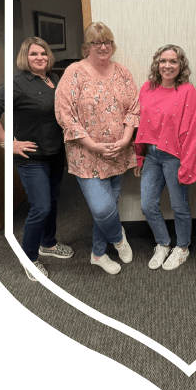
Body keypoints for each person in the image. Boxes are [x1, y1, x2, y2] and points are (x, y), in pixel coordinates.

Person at [0, 37, 74, 281]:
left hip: (55, 153)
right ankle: (29, 259)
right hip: (32, 158)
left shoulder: (54, 79)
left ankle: (48, 244)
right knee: (40, 207)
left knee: (51, 201)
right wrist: (6, 143)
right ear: (25, 58)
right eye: (33, 54)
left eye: (43, 53)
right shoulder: (16, 84)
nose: (40, 57)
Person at [55, 22, 140, 275]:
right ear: (87, 46)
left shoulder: (123, 72)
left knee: (105, 207)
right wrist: (93, 144)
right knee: (103, 208)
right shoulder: (74, 72)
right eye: (97, 42)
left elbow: (134, 108)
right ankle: (119, 238)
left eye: (108, 42)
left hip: (117, 153)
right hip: (87, 155)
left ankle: (98, 254)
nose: (103, 47)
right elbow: (64, 114)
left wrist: (125, 140)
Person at [133, 45, 196, 271]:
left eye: (173, 61)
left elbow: (193, 129)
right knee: (147, 204)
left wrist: (188, 164)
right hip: (152, 155)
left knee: (179, 205)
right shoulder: (147, 88)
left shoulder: (187, 91)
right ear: (157, 63)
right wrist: (139, 157)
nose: (168, 65)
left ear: (180, 65)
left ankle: (182, 247)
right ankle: (163, 243)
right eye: (163, 61)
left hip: (175, 156)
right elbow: (141, 125)